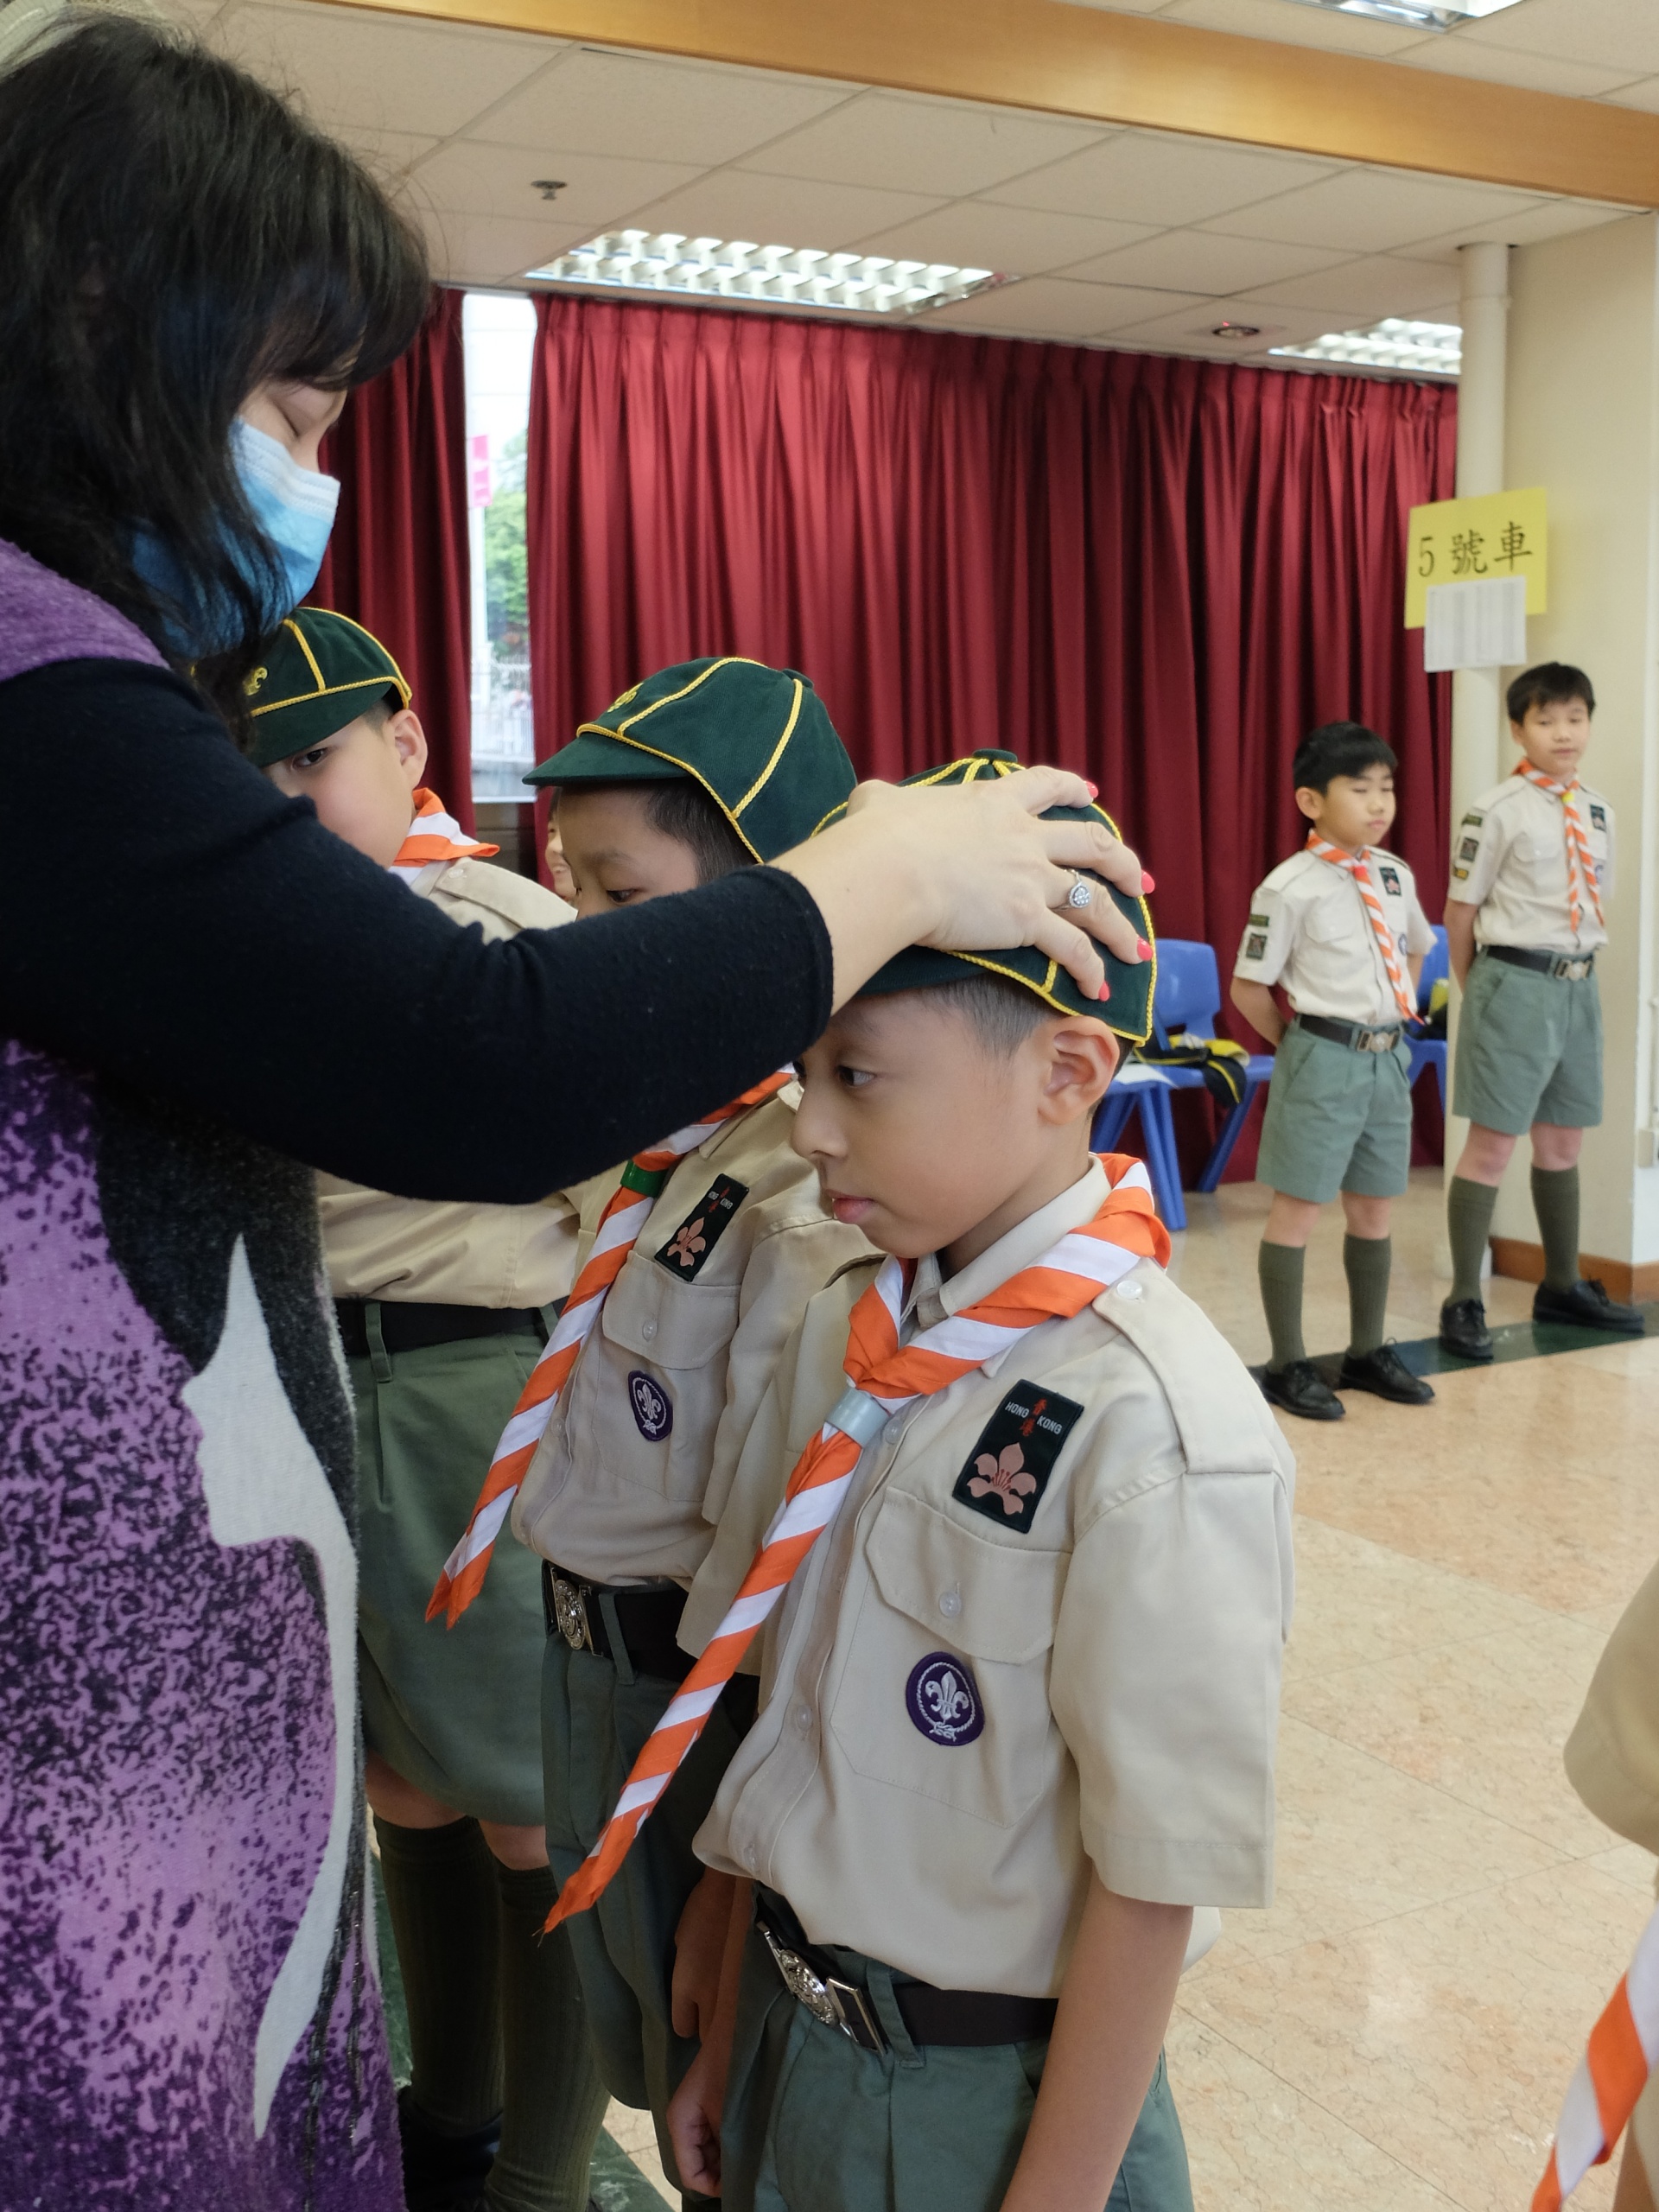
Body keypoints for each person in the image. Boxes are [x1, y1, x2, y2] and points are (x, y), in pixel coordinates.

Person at [0, 18, 1146, 2207]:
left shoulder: (1068, 1359)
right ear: (100, 322)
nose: (308, 480)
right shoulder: (33, 692)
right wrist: (888, 863)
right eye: (284, 412)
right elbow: (474, 1059)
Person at [630, 752, 1294, 2212]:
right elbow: (779, 1696)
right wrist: (733, 2000)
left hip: (982, 2108)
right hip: (792, 2034)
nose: (809, 1129)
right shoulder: (848, 1328)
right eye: (804, 1074)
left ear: (1067, 1073)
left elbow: (1150, 1879)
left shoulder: (1156, 1426)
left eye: (859, 1075)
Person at [472, 657, 873, 2210]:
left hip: (693, 1711)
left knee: (727, 2097)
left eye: (621, 892)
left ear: (762, 905)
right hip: (588, 1667)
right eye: (570, 887)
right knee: (652, 2054)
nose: (582, 931)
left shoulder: (806, 1183)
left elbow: (783, 1569)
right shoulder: (669, 1136)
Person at [250, 607, 609, 2212]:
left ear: (404, 741)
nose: (283, 798)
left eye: (312, 757)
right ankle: (448, 2112)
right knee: (401, 1774)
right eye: (250, 772)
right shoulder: (248, 932)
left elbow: (618, 1186)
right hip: (311, 1383)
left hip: (472, 1385)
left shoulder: (499, 930)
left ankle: (544, 2172)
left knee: (529, 1802)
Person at [1230, 721, 1437, 1422]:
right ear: (1311, 801)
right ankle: (1287, 1362)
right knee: (1298, 1209)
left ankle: (1367, 1350)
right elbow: (1249, 987)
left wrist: (1399, 1009)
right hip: (1323, 1054)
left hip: (1387, 1058)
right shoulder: (1289, 887)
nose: (1379, 804)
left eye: (1387, 789)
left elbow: (1417, 945)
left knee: (1374, 1208)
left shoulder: (1394, 873)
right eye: (1360, 789)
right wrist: (1300, 1045)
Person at [1439, 662, 1642, 1361]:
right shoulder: (1496, 810)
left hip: (1577, 985)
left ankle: (1561, 1284)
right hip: (1514, 981)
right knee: (1493, 1145)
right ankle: (1464, 1297)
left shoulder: (1598, 810)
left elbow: (1598, 900)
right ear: (1518, 729)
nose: (1564, 733)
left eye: (1575, 718)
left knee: (1563, 1144)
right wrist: (1483, 990)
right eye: (1547, 720)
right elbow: (1459, 914)